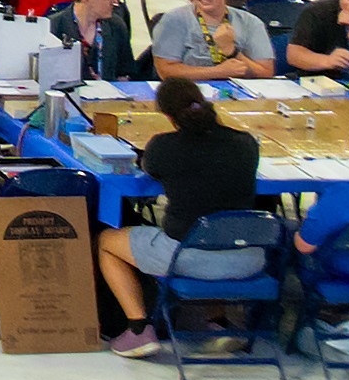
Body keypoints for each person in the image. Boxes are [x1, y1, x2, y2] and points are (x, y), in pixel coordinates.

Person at [94, 76, 269, 355]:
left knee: (106, 242)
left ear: (167, 115)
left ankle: (139, 329)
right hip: (248, 257)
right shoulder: (246, 144)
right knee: (218, 228)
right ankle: (218, 323)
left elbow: (149, 169)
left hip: (187, 257)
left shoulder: (164, 147)